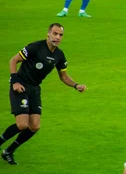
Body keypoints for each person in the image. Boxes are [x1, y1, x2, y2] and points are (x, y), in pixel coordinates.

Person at [1, 23, 87, 165]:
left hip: (34, 89)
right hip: (21, 85)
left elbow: (63, 76)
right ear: (48, 34)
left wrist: (76, 85)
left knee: (34, 126)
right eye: (55, 33)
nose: (57, 37)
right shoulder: (35, 47)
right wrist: (14, 81)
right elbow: (13, 60)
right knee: (22, 124)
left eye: (60, 35)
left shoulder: (59, 55)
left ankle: (8, 151)